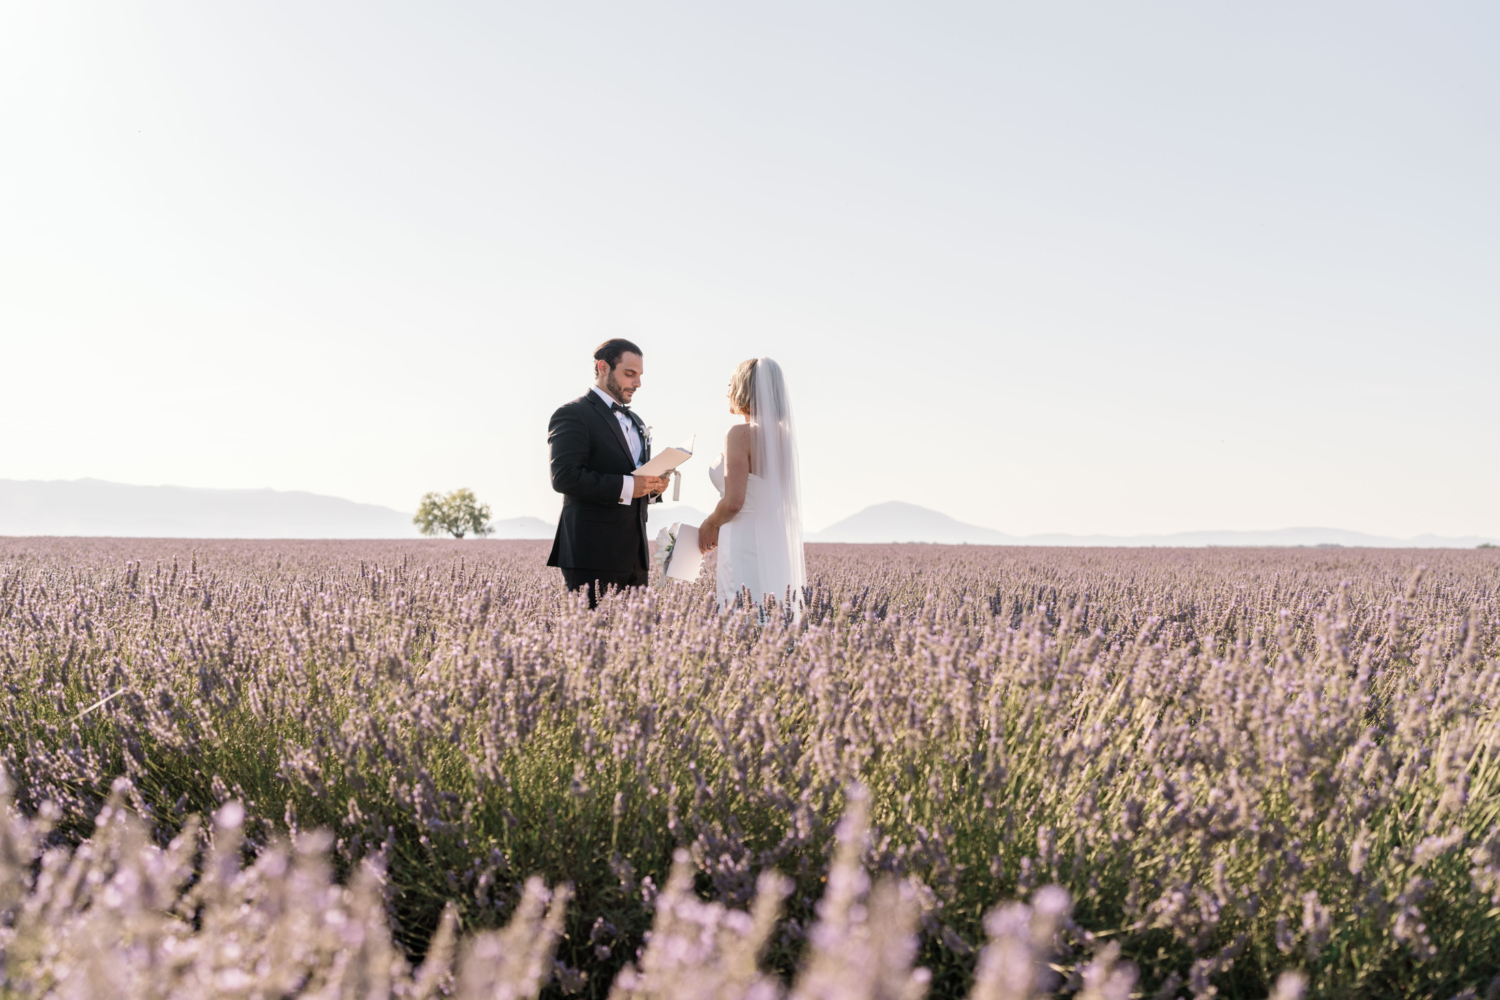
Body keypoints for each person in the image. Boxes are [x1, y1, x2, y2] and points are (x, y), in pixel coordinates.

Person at [547, 339, 671, 608]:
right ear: (603, 368)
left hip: (636, 556)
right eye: (629, 374)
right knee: (589, 644)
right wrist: (629, 487)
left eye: (639, 376)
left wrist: (652, 487)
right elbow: (565, 476)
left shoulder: (637, 421)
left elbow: (635, 478)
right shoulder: (572, 414)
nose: (637, 383)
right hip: (591, 556)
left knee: (634, 646)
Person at [697, 357, 806, 612]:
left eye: (731, 384)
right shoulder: (784, 437)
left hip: (742, 536)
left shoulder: (739, 434)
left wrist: (710, 523)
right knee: (770, 610)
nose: (727, 392)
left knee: (740, 610)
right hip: (772, 538)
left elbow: (735, 501)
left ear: (744, 389)